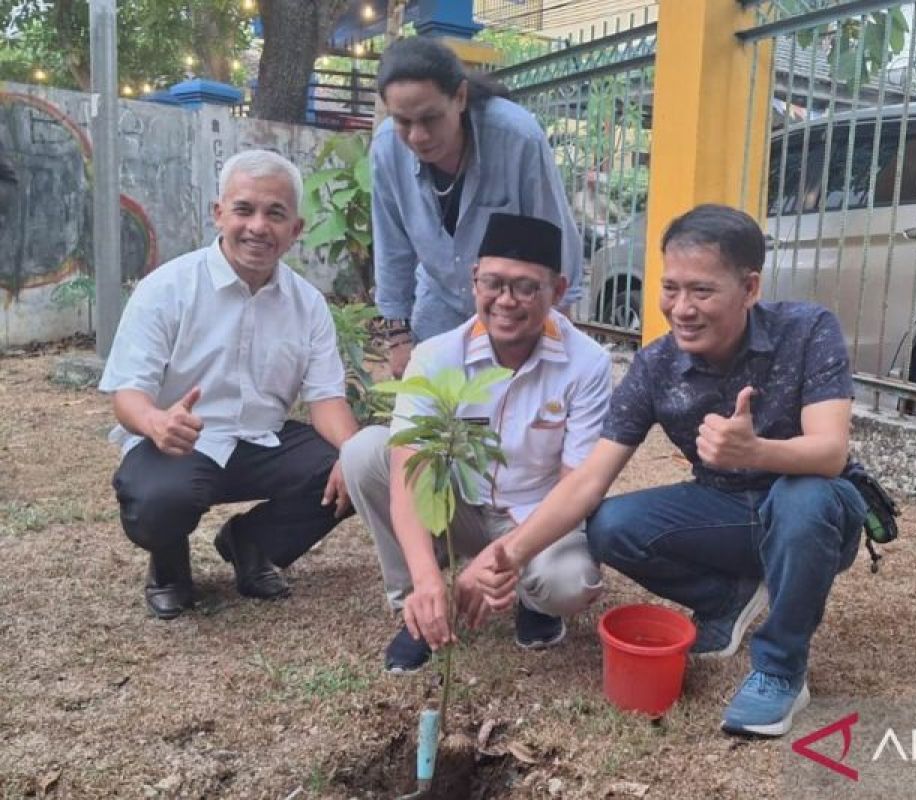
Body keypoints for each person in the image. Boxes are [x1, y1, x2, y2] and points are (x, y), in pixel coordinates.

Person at [469, 204, 868, 737]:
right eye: (671, 288)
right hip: (729, 515)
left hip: (814, 516)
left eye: (702, 292)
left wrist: (756, 452)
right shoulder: (656, 367)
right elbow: (589, 480)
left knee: (803, 498)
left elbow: (830, 453)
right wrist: (508, 555)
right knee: (609, 524)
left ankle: (780, 669)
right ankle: (726, 604)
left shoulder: (806, 329)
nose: (681, 309)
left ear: (749, 288)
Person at [341, 212, 609, 673]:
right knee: (366, 453)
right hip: (457, 508)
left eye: (526, 287)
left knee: (569, 582)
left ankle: (535, 603)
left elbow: (576, 485)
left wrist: (497, 558)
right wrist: (430, 578)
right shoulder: (436, 356)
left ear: (558, 291)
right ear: (473, 281)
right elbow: (411, 471)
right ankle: (419, 607)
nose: (506, 301)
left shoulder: (588, 364)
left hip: (533, 517)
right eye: (493, 283)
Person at [98, 149, 359, 621]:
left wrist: (357, 456)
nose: (258, 226)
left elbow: (325, 400)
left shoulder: (307, 305)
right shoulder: (167, 288)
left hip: (262, 441)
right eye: (244, 209)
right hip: (179, 441)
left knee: (360, 468)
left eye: (275, 214)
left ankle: (253, 545)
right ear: (219, 214)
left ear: (295, 229)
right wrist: (156, 421)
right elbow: (127, 394)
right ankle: (170, 568)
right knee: (159, 502)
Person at [370, 36, 583, 377]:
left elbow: (552, 235)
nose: (418, 136)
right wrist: (398, 339)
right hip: (437, 299)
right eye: (403, 122)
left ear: (460, 97)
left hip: (512, 304)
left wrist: (560, 337)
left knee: (512, 408)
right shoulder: (385, 149)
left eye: (430, 118)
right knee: (439, 414)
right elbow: (392, 245)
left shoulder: (518, 138)